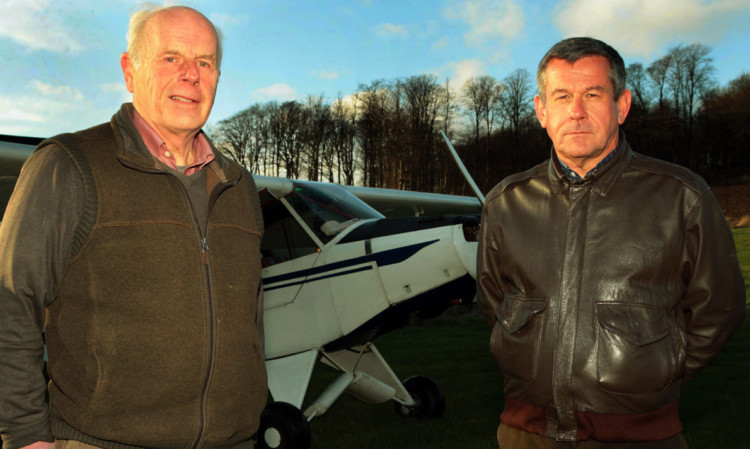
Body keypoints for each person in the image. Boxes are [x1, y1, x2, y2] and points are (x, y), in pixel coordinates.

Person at [0, 5, 267, 449]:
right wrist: (26, 436)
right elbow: (10, 301)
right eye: (171, 58)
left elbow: (252, 321)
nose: (190, 75)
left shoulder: (239, 186)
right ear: (129, 69)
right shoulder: (68, 165)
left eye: (204, 62)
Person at [477, 37, 746, 448]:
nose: (577, 111)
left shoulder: (682, 196)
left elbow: (719, 310)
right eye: (562, 96)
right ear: (541, 111)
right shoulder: (504, 203)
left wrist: (657, 371)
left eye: (592, 94)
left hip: (640, 435)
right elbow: (495, 303)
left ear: (621, 106)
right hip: (525, 433)